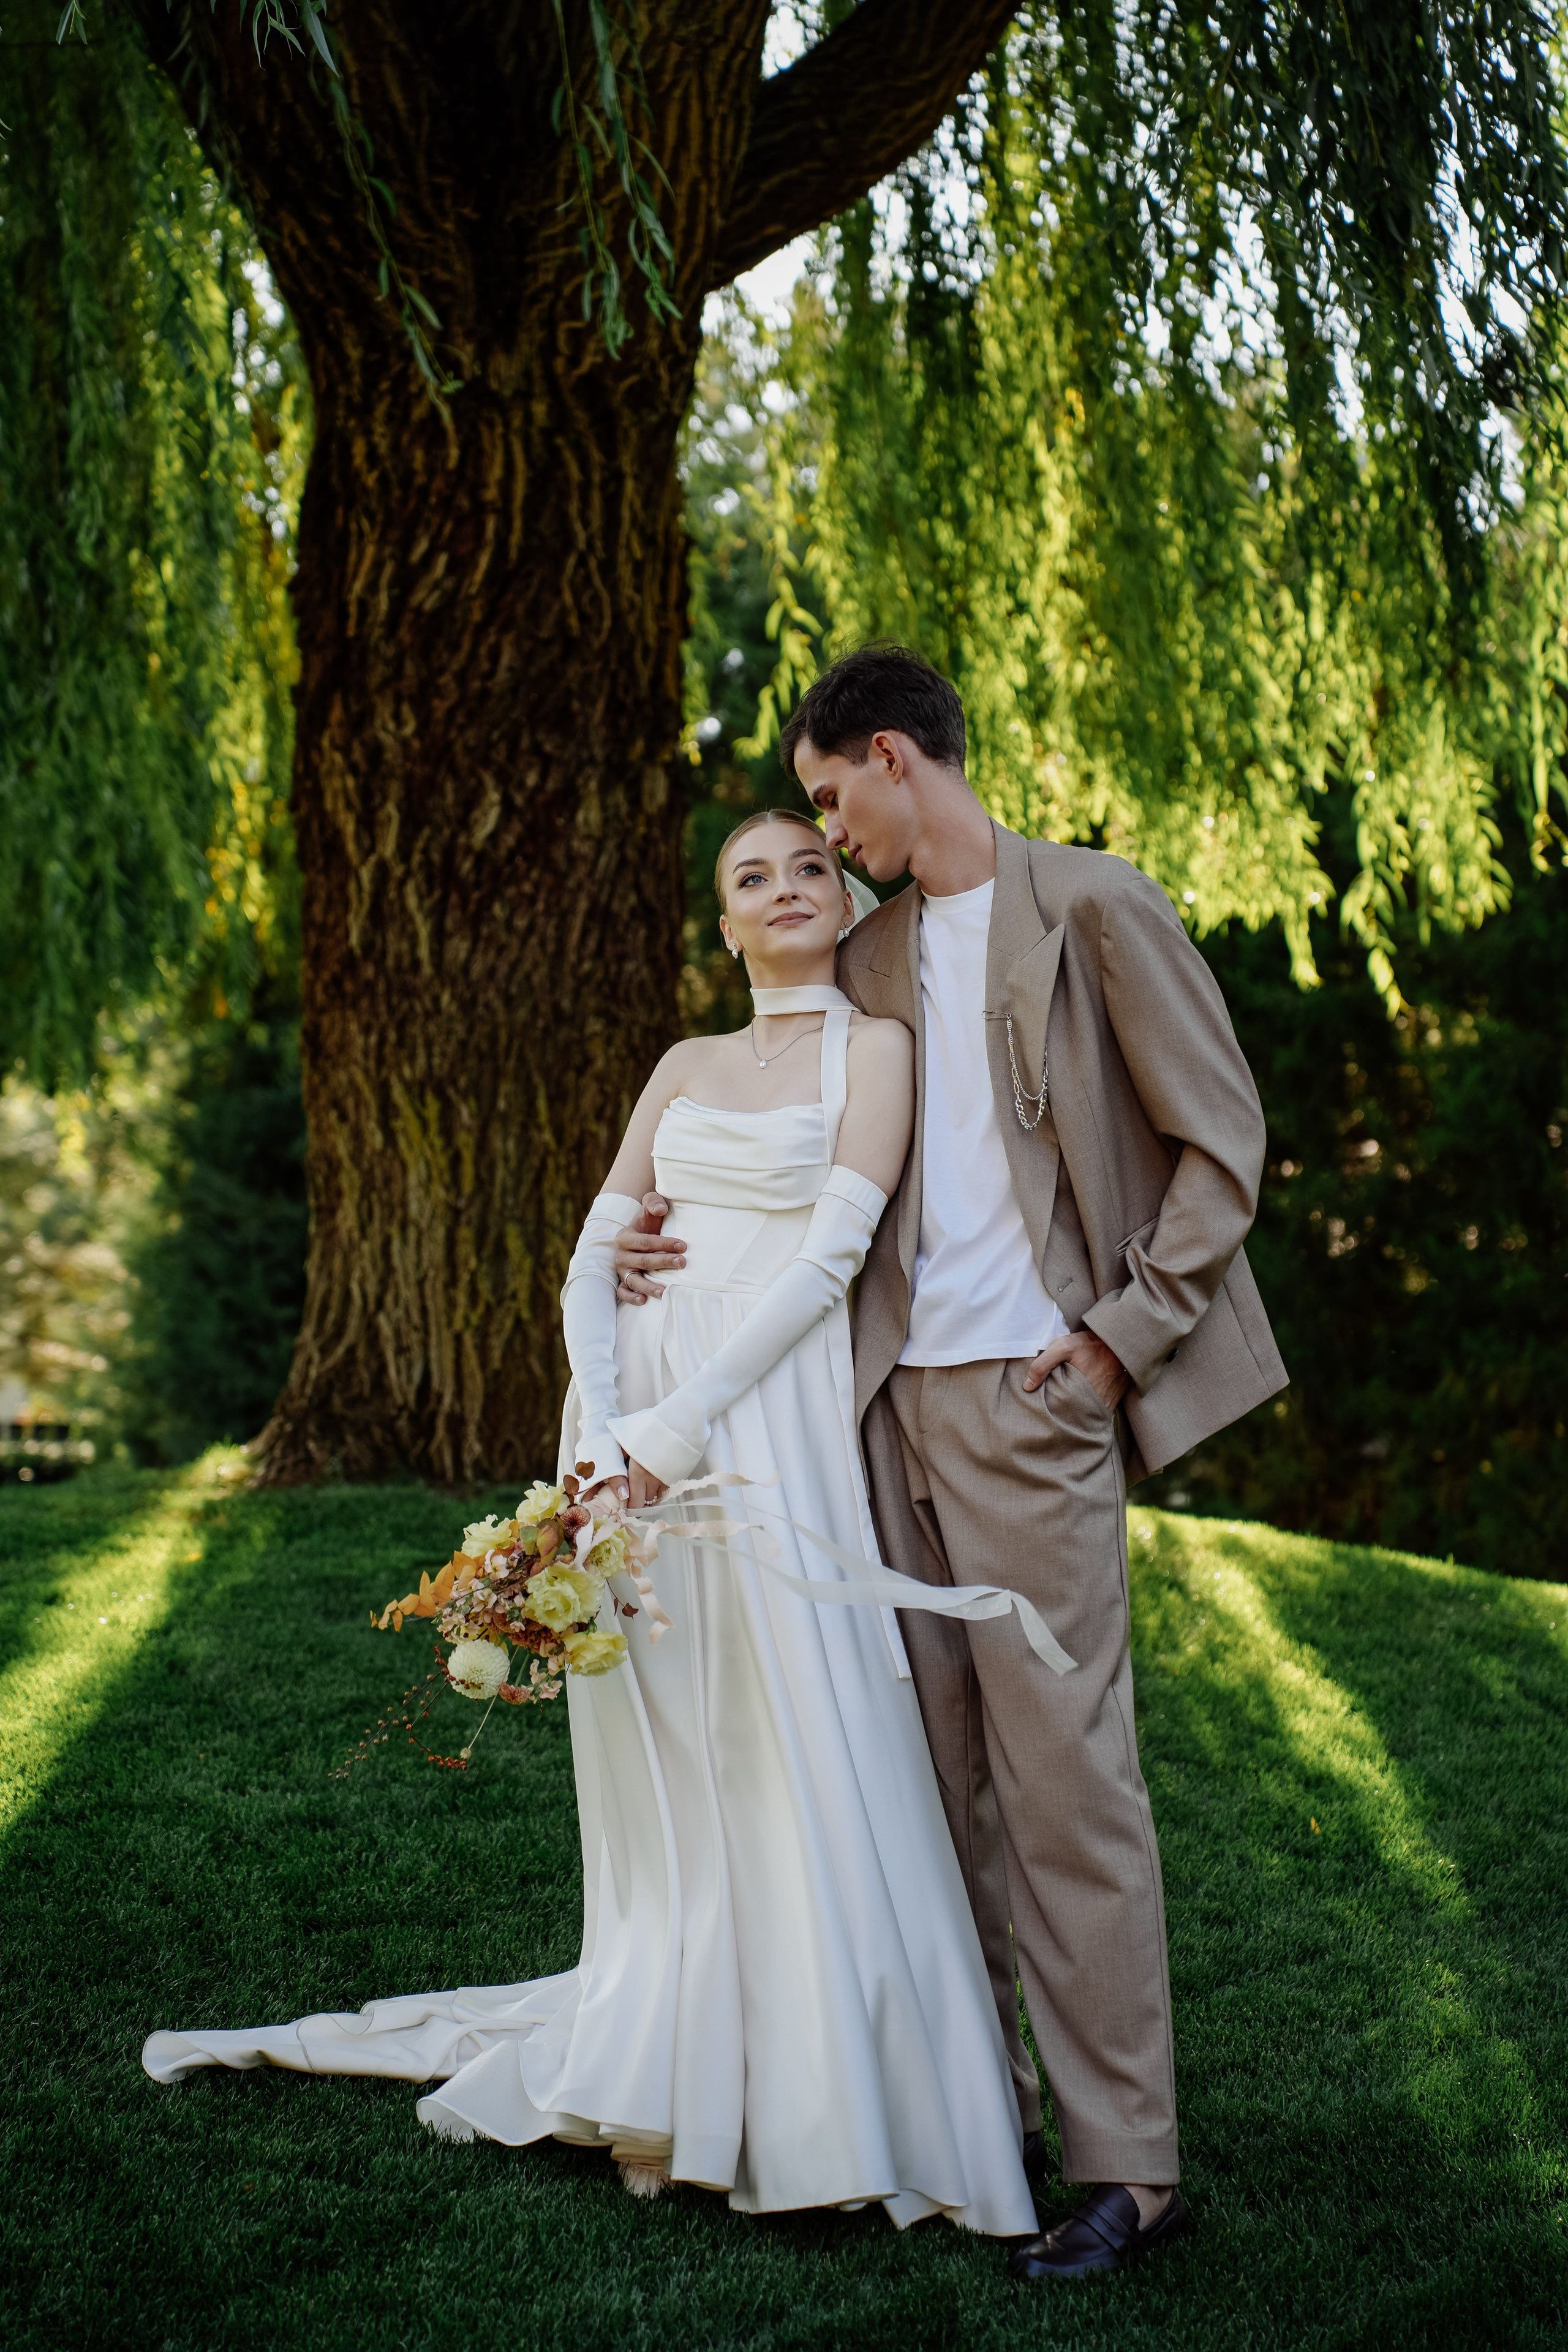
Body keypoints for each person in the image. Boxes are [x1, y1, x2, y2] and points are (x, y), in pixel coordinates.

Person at [142, 804, 1039, 2241]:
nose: (786, 887)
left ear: (840, 896)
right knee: (667, 1747)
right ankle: (663, 2070)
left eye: (808, 866)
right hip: (626, 1426)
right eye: (753, 877)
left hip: (764, 1421)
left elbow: (827, 1259)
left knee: (788, 1726)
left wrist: (674, 1435)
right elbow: (593, 1247)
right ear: (725, 924)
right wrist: (604, 1421)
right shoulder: (682, 1063)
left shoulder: (877, 1052)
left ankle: (823, 2091)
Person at [614, 644, 1287, 2280]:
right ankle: (969, 2116)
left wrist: (1121, 1337)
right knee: (926, 1784)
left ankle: (1129, 2163)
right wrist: (655, 1238)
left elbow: (1224, 1144)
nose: (826, 836)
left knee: (1066, 1783)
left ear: (899, 757)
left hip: (1034, 1404)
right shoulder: (872, 952)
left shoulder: (1098, 908)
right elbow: (795, 1133)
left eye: (833, 796)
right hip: (873, 1418)